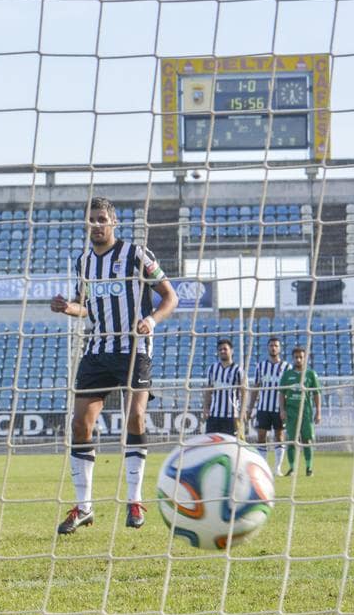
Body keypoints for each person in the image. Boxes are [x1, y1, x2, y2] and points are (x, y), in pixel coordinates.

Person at [50, 195, 179, 534]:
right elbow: (85, 306)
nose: (96, 225)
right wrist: (68, 308)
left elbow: (170, 296)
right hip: (97, 347)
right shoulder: (83, 262)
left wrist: (151, 320)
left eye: (101, 219)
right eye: (91, 219)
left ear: (113, 222)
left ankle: (135, 500)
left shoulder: (136, 254)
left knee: (135, 416)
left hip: (135, 346)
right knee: (80, 423)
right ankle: (84, 507)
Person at [279, 346, 322, 477]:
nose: (298, 359)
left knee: (307, 441)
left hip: (306, 413)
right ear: (293, 359)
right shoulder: (287, 375)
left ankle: (309, 468)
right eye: (296, 357)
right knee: (291, 440)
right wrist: (282, 410)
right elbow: (281, 393)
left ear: (305, 358)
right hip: (291, 413)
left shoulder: (310, 374)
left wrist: (318, 411)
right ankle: (292, 468)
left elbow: (316, 393)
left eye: (301, 357)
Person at [249, 336, 288, 475]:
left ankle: (277, 468)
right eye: (271, 345)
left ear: (280, 348)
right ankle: (263, 467)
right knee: (261, 437)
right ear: (267, 347)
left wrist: (286, 408)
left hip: (279, 408)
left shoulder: (286, 367)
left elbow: (288, 389)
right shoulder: (260, 366)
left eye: (276, 346)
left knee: (279, 436)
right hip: (263, 408)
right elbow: (256, 387)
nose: (273, 348)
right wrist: (250, 407)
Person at [201, 338, 247, 436]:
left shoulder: (238, 370)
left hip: (231, 416)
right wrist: (205, 408)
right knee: (212, 445)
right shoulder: (213, 369)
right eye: (220, 349)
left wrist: (242, 413)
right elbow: (208, 390)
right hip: (214, 415)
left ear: (231, 351)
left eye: (225, 349)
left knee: (231, 446)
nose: (222, 351)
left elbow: (244, 393)